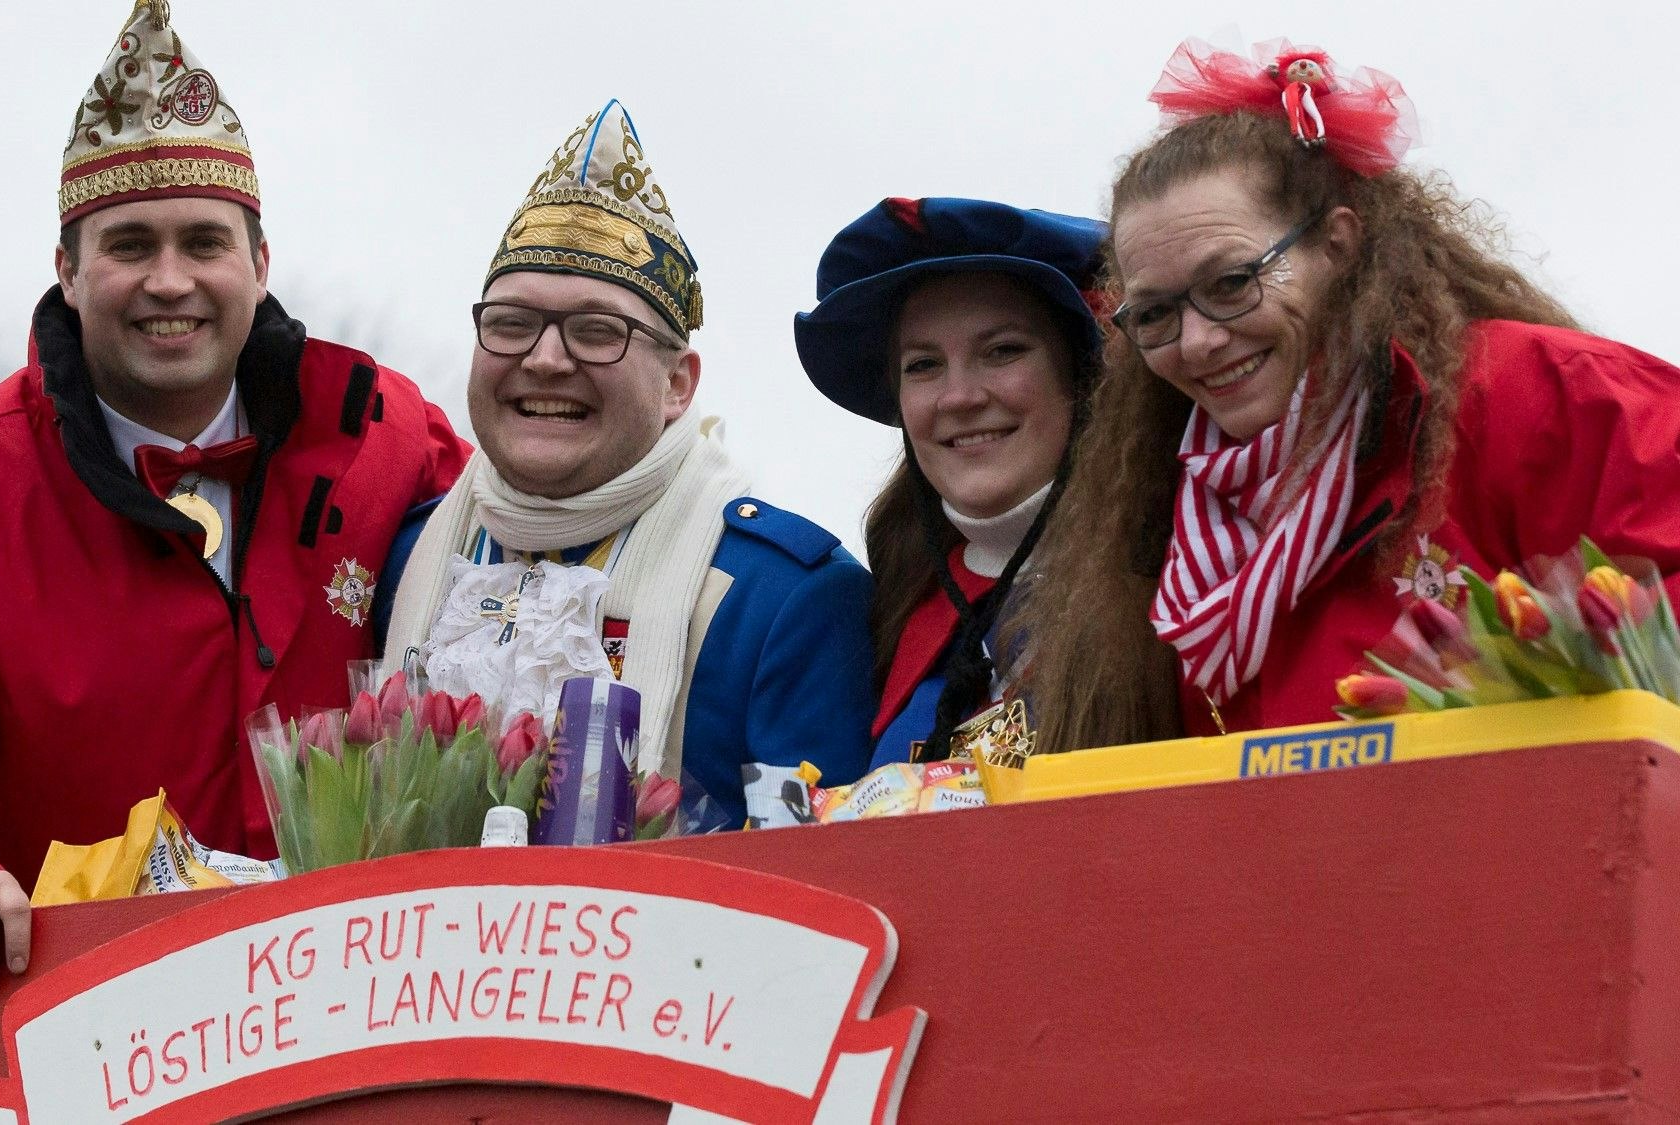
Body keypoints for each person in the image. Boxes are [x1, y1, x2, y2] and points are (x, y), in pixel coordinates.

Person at [0, 0, 467, 1006]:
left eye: (203, 244)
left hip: (355, 1009)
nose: (169, 281)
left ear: (258, 267)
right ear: (68, 272)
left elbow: (533, 589)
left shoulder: (389, 434)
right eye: (129, 245)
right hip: (65, 1029)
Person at [1014, 37, 1680, 753]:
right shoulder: (1150, 516)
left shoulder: (1536, 391)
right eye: (1154, 314)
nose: (1198, 340)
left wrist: (1532, 692)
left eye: (1232, 284)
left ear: (1337, 245)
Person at [378, 99, 875, 830]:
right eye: (511, 323)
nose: (545, 360)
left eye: (596, 331)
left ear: (679, 384)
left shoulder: (787, 599)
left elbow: (823, 895)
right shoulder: (406, 557)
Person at [795, 198, 1104, 765]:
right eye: (923, 365)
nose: (960, 397)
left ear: (1081, 377)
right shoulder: (889, 609)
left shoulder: (1173, 587)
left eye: (1003, 351)